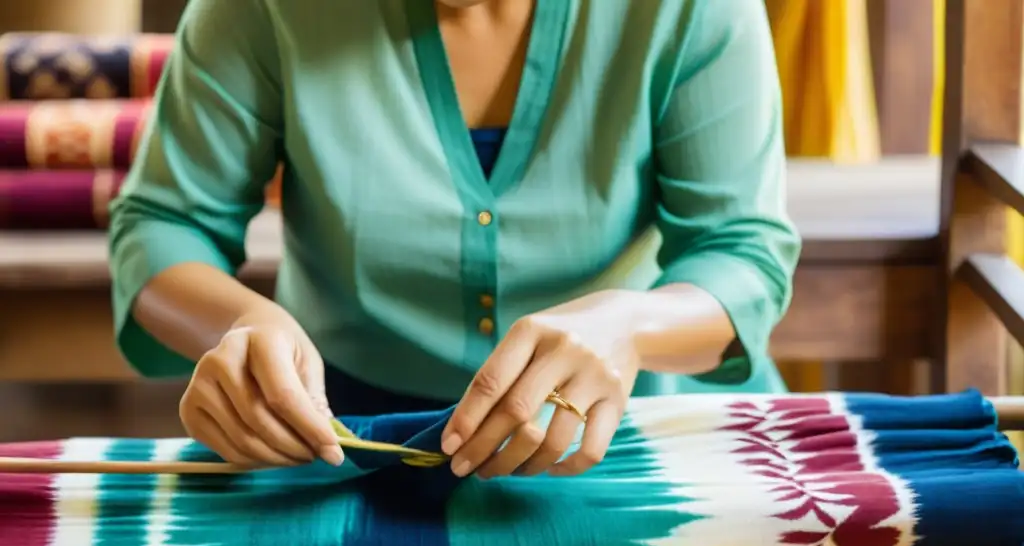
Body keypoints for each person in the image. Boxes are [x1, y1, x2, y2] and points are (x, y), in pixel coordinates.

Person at [108, 0, 800, 480]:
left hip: (637, 437)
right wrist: (245, 324)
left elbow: (742, 253)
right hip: (338, 445)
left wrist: (631, 325)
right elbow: (167, 225)